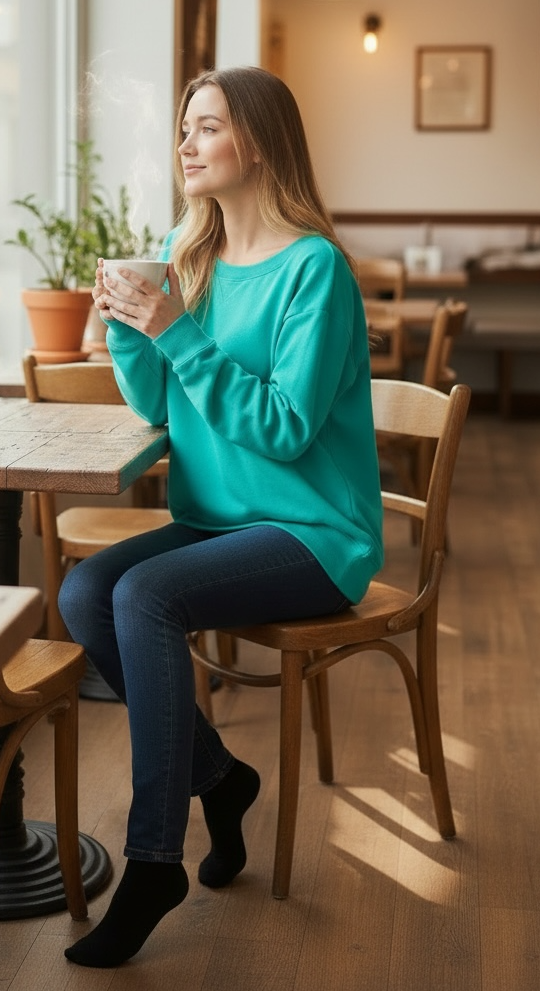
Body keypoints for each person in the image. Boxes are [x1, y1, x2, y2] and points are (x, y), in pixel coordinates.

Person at [59, 65, 383, 968]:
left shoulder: (315, 270)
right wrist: (131, 325)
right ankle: (221, 777)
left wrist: (177, 329)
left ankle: (154, 859)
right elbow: (157, 408)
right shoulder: (186, 251)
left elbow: (284, 428)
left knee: (145, 598)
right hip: (217, 523)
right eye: (184, 128)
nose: (186, 144)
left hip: (313, 532)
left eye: (206, 127)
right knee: (87, 593)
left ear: (260, 143)